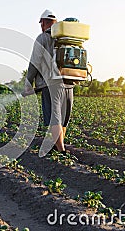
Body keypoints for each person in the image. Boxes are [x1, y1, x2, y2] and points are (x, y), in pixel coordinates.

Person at [23, 9, 73, 155]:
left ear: (43, 23)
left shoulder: (42, 38)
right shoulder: (66, 38)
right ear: (55, 23)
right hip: (69, 82)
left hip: (51, 84)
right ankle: (58, 146)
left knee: (54, 117)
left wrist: (28, 84)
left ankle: (61, 150)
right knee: (63, 118)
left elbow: (34, 63)